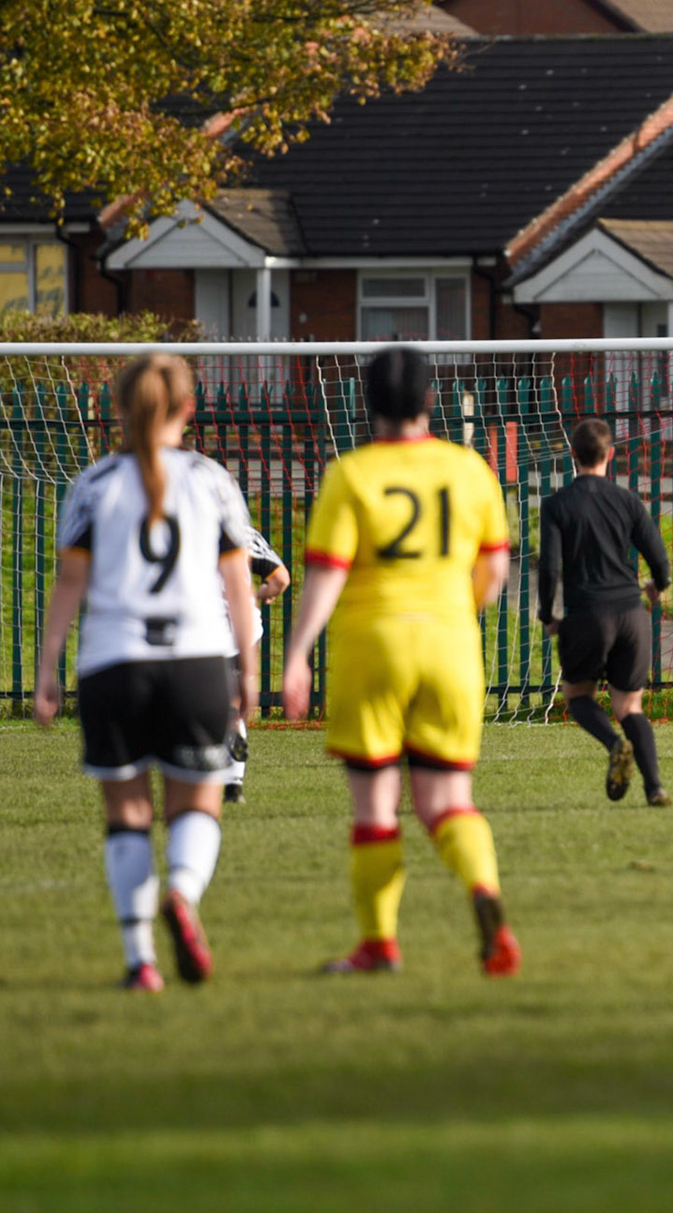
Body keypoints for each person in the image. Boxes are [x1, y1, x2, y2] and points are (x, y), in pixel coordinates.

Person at [281, 346, 521, 975]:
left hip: (373, 645)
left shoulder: (351, 476)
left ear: (366, 403)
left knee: (376, 806)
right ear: (429, 401)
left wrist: (298, 653)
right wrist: (452, 610)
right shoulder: (470, 471)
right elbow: (494, 571)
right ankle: (484, 891)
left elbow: (327, 575)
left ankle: (379, 944)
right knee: (447, 800)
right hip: (449, 644)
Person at [33, 353, 258, 992]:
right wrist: (250, 672)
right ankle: (182, 895)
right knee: (198, 803)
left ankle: (141, 965)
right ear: (190, 410)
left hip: (113, 663)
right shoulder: (212, 481)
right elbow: (238, 586)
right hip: (197, 662)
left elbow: (69, 584)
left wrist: (48, 667)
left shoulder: (95, 485)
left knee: (127, 812)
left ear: (119, 409)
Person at [537, 418, 673, 807]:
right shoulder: (627, 501)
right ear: (609, 455)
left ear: (573, 455)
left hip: (587, 615)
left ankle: (615, 745)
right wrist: (656, 586)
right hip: (631, 615)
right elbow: (659, 560)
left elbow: (549, 568)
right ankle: (655, 788)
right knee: (630, 706)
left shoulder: (557, 504)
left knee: (579, 697)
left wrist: (548, 615)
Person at [222, 525, 290, 804]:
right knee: (235, 705)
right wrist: (256, 595)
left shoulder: (182, 523)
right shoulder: (244, 533)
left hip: (201, 626)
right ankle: (234, 783)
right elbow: (281, 579)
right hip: (244, 627)